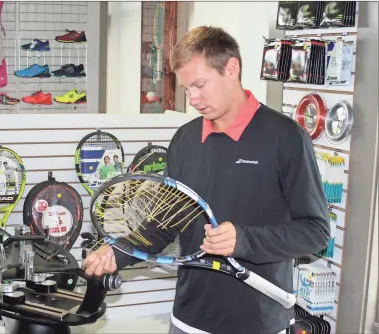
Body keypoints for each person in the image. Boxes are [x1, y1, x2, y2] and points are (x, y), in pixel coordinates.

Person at [84, 26, 330, 334]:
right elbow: (165, 222)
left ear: (231, 69)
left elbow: (316, 231)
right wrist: (118, 252)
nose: (194, 99)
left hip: (258, 323)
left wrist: (244, 240)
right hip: (188, 320)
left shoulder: (286, 138)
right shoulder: (185, 139)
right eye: (187, 89)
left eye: (200, 85)